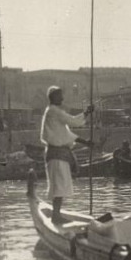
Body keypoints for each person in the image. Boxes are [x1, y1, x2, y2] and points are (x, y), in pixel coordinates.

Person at [40, 85, 93, 223]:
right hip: (56, 155)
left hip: (58, 155)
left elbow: (66, 133)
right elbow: (73, 121)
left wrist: (85, 142)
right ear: (53, 97)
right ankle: (56, 216)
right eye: (60, 95)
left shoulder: (53, 112)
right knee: (59, 185)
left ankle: (56, 214)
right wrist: (86, 113)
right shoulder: (53, 111)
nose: (62, 98)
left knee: (60, 185)